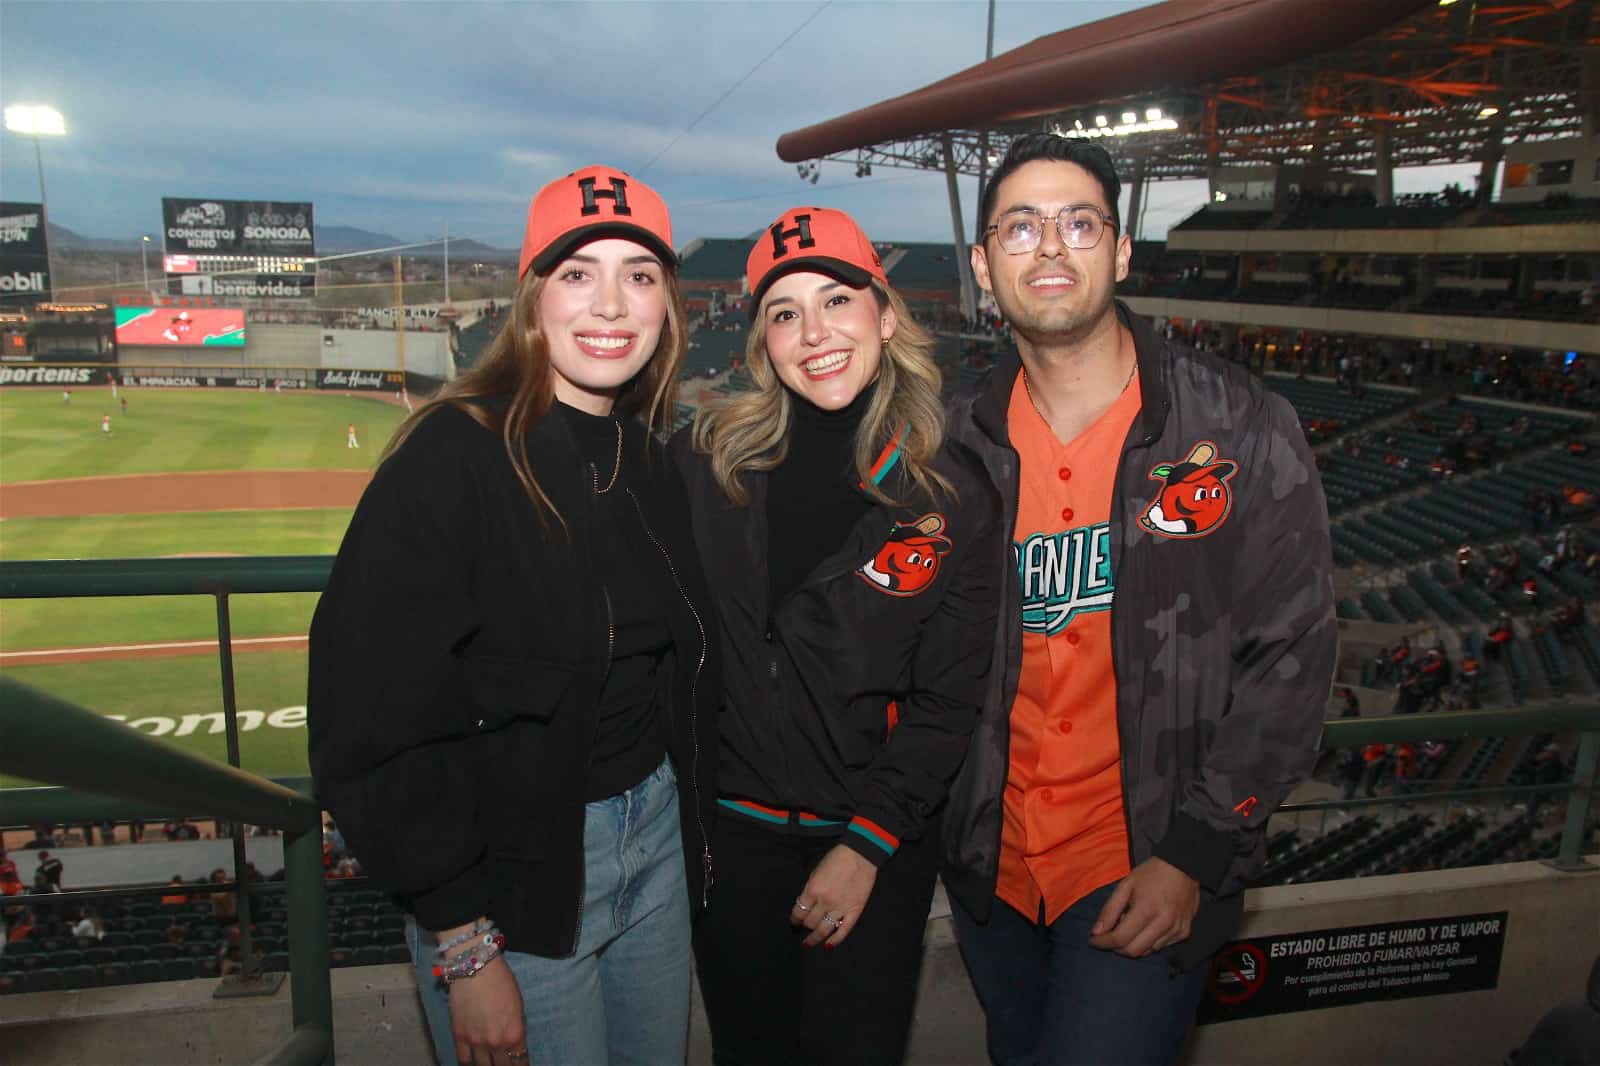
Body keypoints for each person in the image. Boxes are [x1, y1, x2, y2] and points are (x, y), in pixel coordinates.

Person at [308, 165, 719, 1066]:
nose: (611, 303)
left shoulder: (652, 454)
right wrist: (460, 937)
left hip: (654, 840)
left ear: (667, 308)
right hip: (511, 874)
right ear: (533, 301)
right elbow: (368, 723)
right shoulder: (452, 457)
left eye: (639, 276)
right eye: (579, 273)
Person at [940, 134, 1336, 1066]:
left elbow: (1295, 655)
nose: (1049, 247)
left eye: (1079, 224)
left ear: (1120, 252)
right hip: (992, 871)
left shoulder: (1238, 425)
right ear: (983, 264)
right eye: (1021, 227)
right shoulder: (948, 443)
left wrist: (1196, 852)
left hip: (1145, 863)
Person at [673, 206, 1001, 1064]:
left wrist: (866, 846)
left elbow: (948, 702)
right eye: (784, 312)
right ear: (762, 345)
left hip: (869, 849)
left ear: (885, 318)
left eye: (836, 301)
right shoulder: (706, 464)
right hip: (729, 849)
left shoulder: (951, 495)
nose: (813, 332)